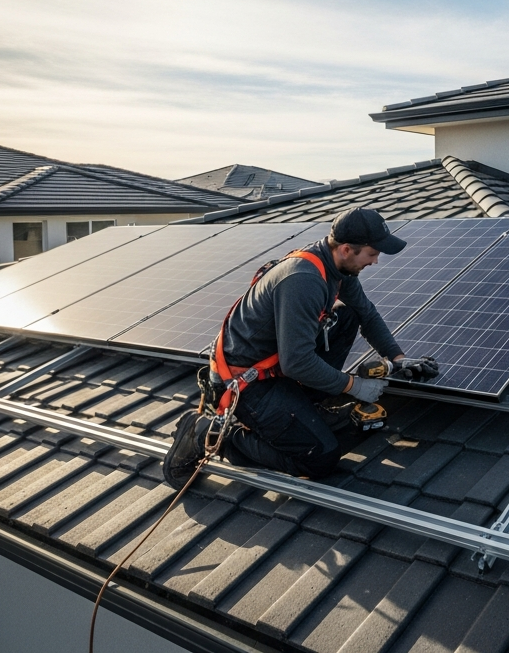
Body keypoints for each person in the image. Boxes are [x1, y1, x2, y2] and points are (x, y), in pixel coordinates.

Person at [163, 208, 437, 486]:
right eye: (372, 253)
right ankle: (202, 432)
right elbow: (298, 363)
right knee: (320, 458)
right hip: (246, 383)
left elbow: (366, 313)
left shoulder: (336, 268)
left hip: (277, 366)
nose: (376, 260)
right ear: (345, 249)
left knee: (350, 314)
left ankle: (305, 403)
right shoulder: (304, 279)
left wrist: (398, 358)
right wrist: (352, 385)